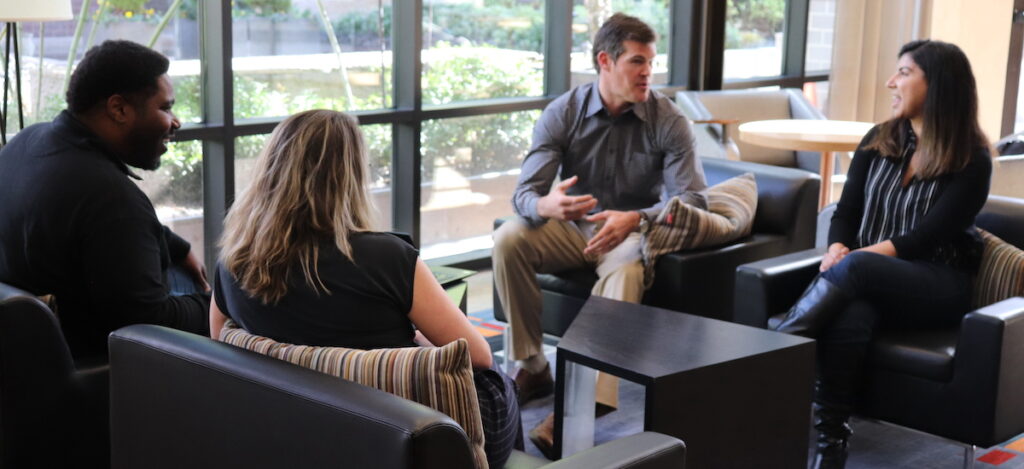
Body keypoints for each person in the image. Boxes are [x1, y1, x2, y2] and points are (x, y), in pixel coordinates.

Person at [208, 109, 523, 468]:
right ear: (351, 176)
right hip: (414, 433)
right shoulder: (386, 257)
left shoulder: (233, 263)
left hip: (312, 431)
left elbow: (222, 345)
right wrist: (418, 345)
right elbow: (477, 355)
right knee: (501, 380)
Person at [491, 12, 707, 457]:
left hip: (630, 232)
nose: (647, 71)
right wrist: (545, 206)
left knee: (628, 265)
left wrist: (637, 217)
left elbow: (694, 200)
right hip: (573, 230)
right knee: (509, 237)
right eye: (636, 61)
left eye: (650, 61)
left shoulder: (669, 120)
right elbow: (523, 196)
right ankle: (532, 365)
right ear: (605, 61)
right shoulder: (564, 112)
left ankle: (589, 402)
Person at [773, 40, 992, 469]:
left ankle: (771, 351)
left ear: (939, 84)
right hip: (870, 278)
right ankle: (831, 444)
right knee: (852, 315)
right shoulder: (880, 139)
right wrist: (838, 247)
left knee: (857, 272)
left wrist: (852, 261)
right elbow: (846, 211)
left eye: (905, 73)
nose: (891, 82)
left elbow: (924, 239)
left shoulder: (972, 159)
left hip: (936, 282)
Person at [0, 40, 210, 360]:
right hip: (92, 371)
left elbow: (88, 225)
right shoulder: (109, 198)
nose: (175, 122)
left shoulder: (29, 141)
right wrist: (220, 305)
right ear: (119, 109)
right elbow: (150, 324)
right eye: (165, 108)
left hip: (21, 358)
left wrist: (179, 249)